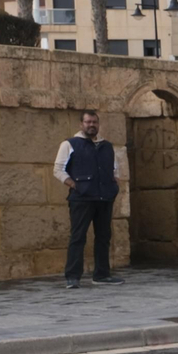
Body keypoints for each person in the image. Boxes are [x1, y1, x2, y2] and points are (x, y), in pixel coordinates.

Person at [53, 110, 123, 288]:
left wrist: (113, 186)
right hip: (81, 199)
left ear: (98, 124)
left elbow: (114, 169)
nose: (91, 125)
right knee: (78, 237)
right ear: (81, 124)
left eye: (94, 122)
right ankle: (73, 277)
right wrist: (74, 185)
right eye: (88, 122)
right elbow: (58, 170)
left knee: (103, 236)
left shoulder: (107, 146)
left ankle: (101, 274)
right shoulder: (70, 144)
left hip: (104, 198)